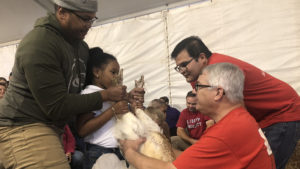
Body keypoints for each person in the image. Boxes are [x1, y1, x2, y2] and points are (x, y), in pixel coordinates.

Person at [0, 1, 143, 168]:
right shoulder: (39, 43)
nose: (89, 25)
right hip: (23, 125)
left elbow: (80, 91)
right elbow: (57, 106)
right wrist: (106, 96)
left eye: (92, 19)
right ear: (62, 12)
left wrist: (125, 96)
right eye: (84, 19)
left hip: (52, 128)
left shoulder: (81, 47)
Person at [171, 36, 300, 169]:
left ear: (202, 58)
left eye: (184, 65)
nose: (182, 71)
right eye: (178, 67)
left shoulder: (219, 69)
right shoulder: (198, 75)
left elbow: (228, 114)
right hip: (263, 116)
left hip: (283, 110)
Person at [119, 63, 276, 169]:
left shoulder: (226, 132)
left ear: (218, 92)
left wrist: (130, 152)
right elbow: (190, 157)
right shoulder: (238, 118)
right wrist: (159, 146)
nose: (194, 91)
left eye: (199, 86)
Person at [77, 47, 130, 169]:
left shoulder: (110, 94)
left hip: (120, 150)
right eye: (113, 72)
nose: (117, 77)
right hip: (99, 152)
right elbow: (82, 130)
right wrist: (113, 110)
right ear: (97, 72)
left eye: (118, 73)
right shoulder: (89, 94)